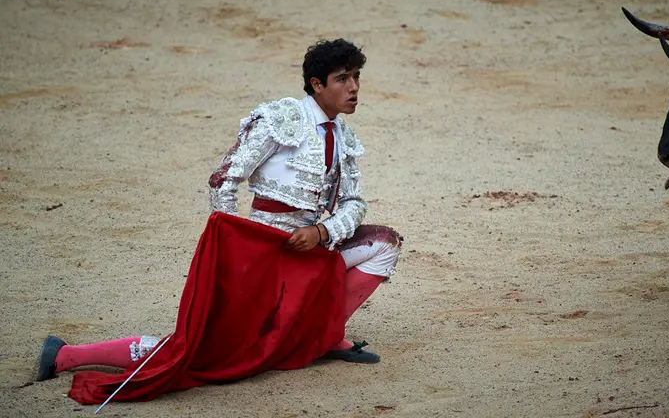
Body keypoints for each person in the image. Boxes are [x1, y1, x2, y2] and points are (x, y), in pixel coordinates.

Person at [35, 39, 403, 384]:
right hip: (265, 251)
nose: (354, 87)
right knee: (201, 348)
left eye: (356, 77)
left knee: (385, 244)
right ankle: (66, 355)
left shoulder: (344, 138)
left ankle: (323, 336)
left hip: (310, 248)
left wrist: (321, 233)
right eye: (343, 78)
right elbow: (224, 179)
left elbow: (354, 203)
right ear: (317, 84)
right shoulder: (281, 119)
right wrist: (239, 245)